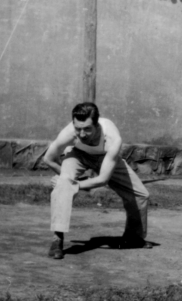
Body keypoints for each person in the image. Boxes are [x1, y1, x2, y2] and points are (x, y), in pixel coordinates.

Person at [42, 101, 149, 259]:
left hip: (106, 158)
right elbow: (49, 159)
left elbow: (103, 179)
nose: (82, 134)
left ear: (97, 124)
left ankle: (133, 238)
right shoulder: (69, 133)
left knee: (141, 194)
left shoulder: (112, 138)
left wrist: (77, 185)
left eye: (87, 129)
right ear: (73, 124)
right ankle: (57, 239)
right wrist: (65, 180)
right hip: (78, 155)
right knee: (63, 186)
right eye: (78, 129)